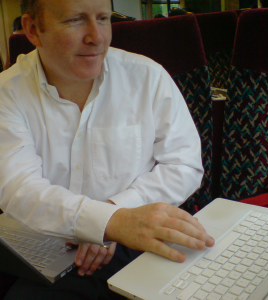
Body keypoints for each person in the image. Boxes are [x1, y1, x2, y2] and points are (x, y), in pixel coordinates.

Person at [0, 0, 214, 299]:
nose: (96, 36)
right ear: (33, 30)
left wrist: (116, 215)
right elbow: (19, 188)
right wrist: (108, 223)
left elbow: (184, 165)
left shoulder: (147, 78)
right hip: (42, 238)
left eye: (103, 18)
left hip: (135, 235)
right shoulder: (7, 92)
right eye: (76, 20)